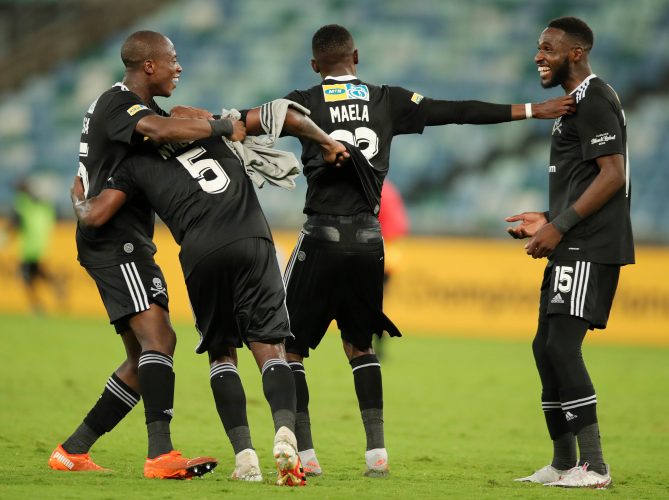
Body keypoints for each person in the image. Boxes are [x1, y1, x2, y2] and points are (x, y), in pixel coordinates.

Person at [279, 24, 576, 477]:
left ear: (314, 65)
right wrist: (534, 109)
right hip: (369, 240)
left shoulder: (303, 101)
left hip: (321, 234)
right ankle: (377, 453)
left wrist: (208, 124)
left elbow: (252, 121)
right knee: (361, 346)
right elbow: (458, 111)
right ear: (356, 57)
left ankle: (306, 456)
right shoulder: (387, 99)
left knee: (289, 347)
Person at [70, 100, 348, 486]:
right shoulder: (215, 131)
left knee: (221, 353)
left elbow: (96, 215)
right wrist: (325, 141)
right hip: (252, 239)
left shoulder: (134, 164)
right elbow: (283, 115)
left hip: (202, 252)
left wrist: (78, 198)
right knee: (271, 348)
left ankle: (245, 458)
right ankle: (285, 434)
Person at [49, 30, 244, 479]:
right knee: (160, 340)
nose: (179, 67)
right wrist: (222, 127)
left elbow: (164, 127)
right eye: (173, 59)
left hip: (121, 237)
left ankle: (72, 450)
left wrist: (205, 121)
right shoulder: (118, 103)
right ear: (149, 66)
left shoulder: (132, 108)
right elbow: (158, 130)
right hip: (116, 240)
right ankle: (160, 455)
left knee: (143, 357)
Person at [506, 17, 633, 489]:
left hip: (588, 243)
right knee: (545, 347)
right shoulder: (574, 104)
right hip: (573, 237)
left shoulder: (594, 98)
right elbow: (587, 180)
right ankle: (563, 462)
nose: (538, 56)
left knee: (561, 346)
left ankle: (595, 467)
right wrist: (547, 216)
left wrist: (558, 227)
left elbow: (613, 175)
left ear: (576, 53)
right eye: (539, 47)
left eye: (548, 48)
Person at [11, 179, 64, 314]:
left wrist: (7, 235)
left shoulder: (22, 204)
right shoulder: (43, 206)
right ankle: (56, 286)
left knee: (27, 278)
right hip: (40, 247)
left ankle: (37, 306)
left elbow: (16, 223)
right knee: (39, 274)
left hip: (29, 248)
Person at [372, 179, 410, 358]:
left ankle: (367, 345)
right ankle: (376, 346)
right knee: (376, 303)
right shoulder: (389, 189)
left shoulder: (374, 189)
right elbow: (401, 225)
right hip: (391, 254)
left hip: (377, 251)